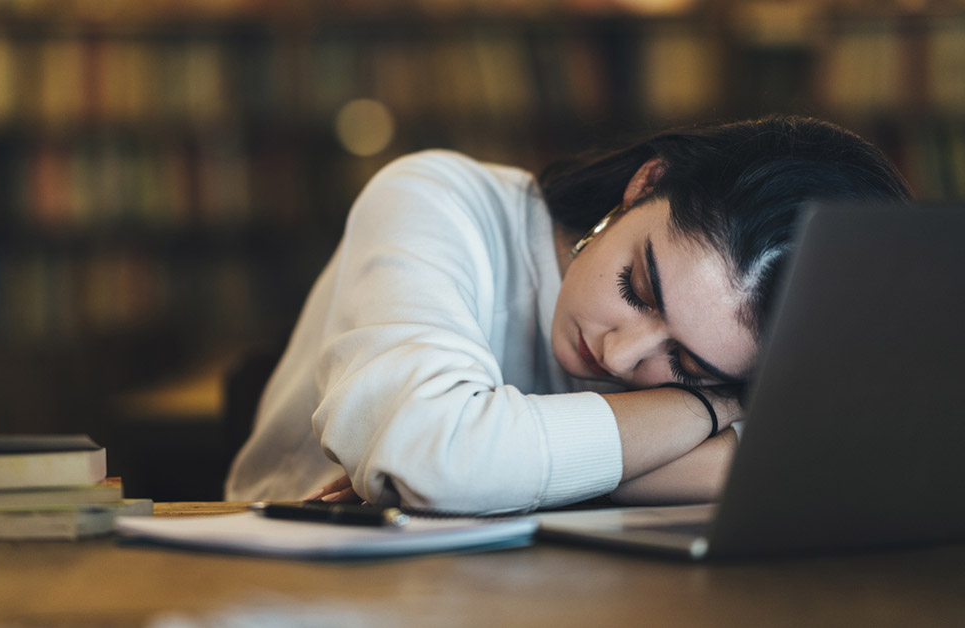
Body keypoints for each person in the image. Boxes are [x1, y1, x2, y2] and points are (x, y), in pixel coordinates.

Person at [224, 115, 912, 514]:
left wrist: (495, 476)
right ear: (646, 184)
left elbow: (838, 460)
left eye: (687, 365)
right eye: (639, 287)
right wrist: (707, 411)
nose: (619, 355)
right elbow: (433, 461)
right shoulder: (436, 200)